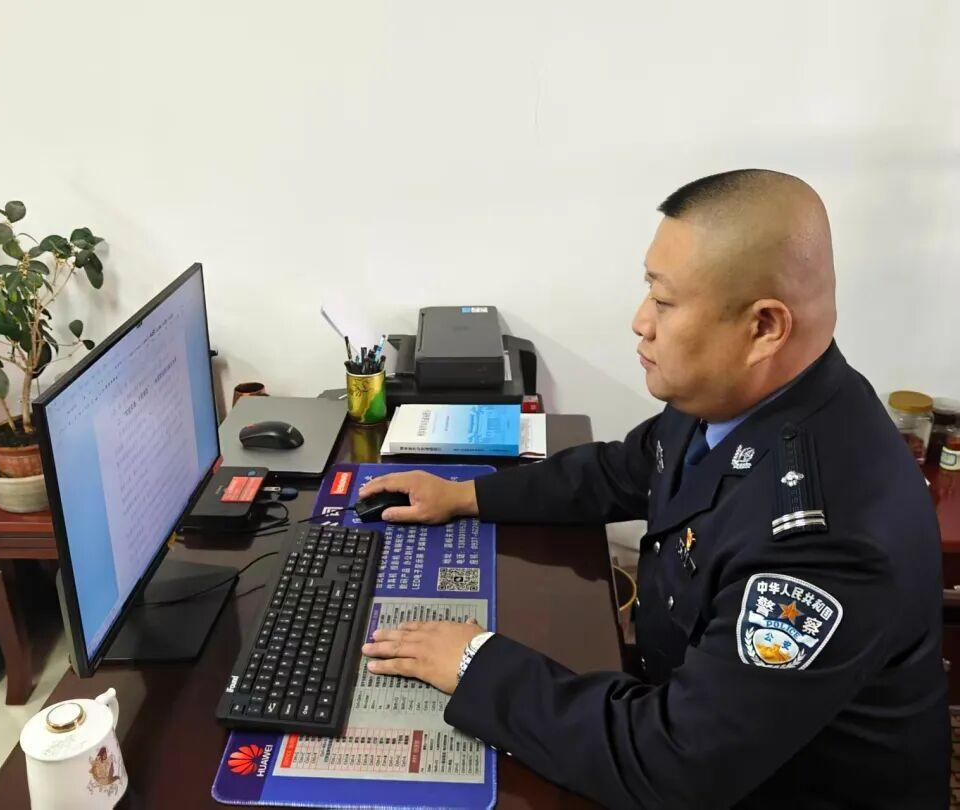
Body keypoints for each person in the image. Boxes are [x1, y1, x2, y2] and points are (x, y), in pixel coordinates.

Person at [358, 170, 949, 808]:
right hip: (699, 708)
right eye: (649, 290)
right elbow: (623, 470)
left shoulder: (823, 539)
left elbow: (676, 764)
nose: (641, 322)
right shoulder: (736, 397)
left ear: (763, 328)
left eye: (664, 302)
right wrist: (466, 496)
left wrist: (477, 664)